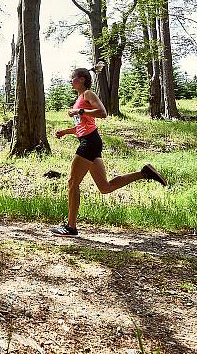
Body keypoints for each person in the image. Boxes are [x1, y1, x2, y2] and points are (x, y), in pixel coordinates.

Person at [50, 65, 167, 237]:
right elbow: (83, 126)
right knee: (105, 187)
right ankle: (144, 173)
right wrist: (65, 132)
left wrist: (79, 110)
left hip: (89, 143)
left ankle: (71, 227)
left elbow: (103, 113)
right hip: (91, 141)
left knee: (72, 183)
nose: (71, 80)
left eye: (73, 77)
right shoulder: (79, 99)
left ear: (82, 79)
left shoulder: (87, 95)